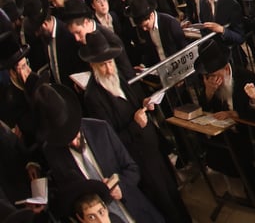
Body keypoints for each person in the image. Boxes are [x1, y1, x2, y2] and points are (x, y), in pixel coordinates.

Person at [77, 30, 188, 220]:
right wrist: (135, 124)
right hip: (137, 159)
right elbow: (111, 139)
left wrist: (145, 103)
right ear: (92, 66)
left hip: (153, 150)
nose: (109, 69)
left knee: (173, 193)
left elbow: (135, 102)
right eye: (103, 65)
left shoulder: (119, 77)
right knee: (162, 203)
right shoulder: (93, 97)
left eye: (111, 62)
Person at [34, 82, 166, 223]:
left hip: (133, 212)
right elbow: (67, 196)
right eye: (66, 140)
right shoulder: (51, 152)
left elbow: (132, 168)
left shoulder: (100, 129)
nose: (73, 142)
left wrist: (121, 187)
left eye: (75, 135)